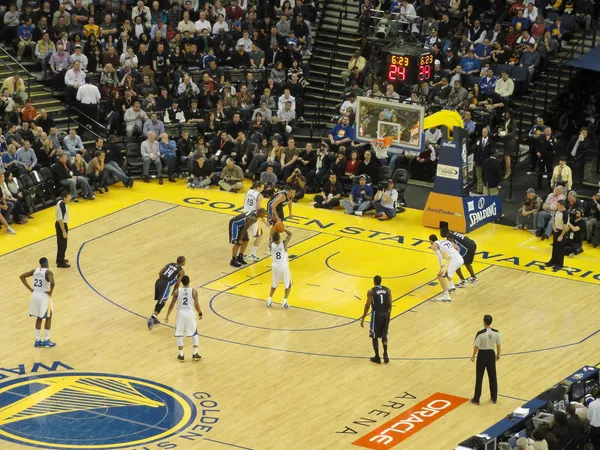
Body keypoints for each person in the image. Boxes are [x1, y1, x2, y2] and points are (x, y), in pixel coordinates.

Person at [164, 275, 202, 363]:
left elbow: (172, 305)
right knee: (195, 333)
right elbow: (196, 305)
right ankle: (195, 354)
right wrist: (200, 313)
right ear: (189, 281)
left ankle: (181, 355)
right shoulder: (194, 292)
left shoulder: (177, 291)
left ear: (181, 282)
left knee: (179, 334)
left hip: (180, 314)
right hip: (190, 313)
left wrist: (167, 315)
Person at [20, 257, 57, 348]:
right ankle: (46, 340)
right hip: (43, 296)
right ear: (47, 263)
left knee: (39, 318)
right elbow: (52, 282)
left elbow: (22, 276)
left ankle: (37, 340)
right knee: (48, 317)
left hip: (35, 295)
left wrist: (30, 288)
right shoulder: (48, 272)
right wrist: (51, 291)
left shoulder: (35, 270)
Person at [147, 256, 186, 330]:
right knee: (162, 302)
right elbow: (178, 283)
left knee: (160, 301)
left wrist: (162, 280)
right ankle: (152, 318)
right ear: (183, 262)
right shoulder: (181, 271)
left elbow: (160, 272)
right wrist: (174, 290)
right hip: (166, 284)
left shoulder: (170, 264)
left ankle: (154, 316)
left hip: (158, 281)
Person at [360, 275, 392, 364]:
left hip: (377, 314)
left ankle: (377, 356)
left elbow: (367, 305)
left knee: (374, 335)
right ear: (381, 281)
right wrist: (389, 316)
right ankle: (385, 353)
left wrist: (363, 317)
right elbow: (390, 304)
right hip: (386, 313)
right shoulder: (388, 290)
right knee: (384, 335)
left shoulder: (371, 291)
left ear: (374, 281)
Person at [471, 314, 501, 405]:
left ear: (484, 322)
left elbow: (476, 346)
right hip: (491, 354)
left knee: (479, 377)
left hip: (482, 355)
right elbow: (498, 344)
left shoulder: (480, 333)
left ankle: (476, 399)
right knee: (492, 376)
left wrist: (473, 355)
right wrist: (498, 354)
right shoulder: (496, 332)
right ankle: (494, 398)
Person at [430, 234, 463, 302]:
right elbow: (457, 247)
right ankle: (451, 285)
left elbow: (439, 256)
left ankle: (446, 296)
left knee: (440, 276)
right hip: (460, 259)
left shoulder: (434, 245)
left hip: (453, 261)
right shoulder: (445, 241)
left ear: (430, 241)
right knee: (447, 271)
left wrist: (441, 265)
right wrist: (456, 255)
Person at [267, 229, 293, 308]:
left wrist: (274, 231)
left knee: (274, 284)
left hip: (275, 267)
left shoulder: (270, 245)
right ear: (279, 237)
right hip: (283, 267)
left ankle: (269, 299)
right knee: (289, 284)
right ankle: (284, 301)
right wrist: (283, 229)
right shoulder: (284, 244)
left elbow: (271, 238)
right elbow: (290, 234)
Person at [243, 181, 268, 261]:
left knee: (244, 236)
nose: (263, 189)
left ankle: (241, 254)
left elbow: (244, 202)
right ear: (258, 187)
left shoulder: (248, 191)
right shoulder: (259, 196)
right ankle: (252, 254)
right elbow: (258, 210)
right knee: (259, 235)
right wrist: (264, 221)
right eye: (262, 187)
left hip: (245, 214)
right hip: (253, 217)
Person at [545, 200, 569, 269]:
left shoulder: (565, 213)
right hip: (556, 230)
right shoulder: (557, 211)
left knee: (560, 249)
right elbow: (553, 220)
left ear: (562, 206)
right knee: (555, 247)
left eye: (558, 205)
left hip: (562, 232)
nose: (557, 206)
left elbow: (565, 226)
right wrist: (553, 227)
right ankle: (553, 261)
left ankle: (559, 264)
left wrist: (561, 235)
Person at [55, 191, 71, 268]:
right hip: (61, 225)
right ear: (64, 198)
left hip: (60, 224)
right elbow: (61, 220)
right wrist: (64, 232)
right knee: (63, 244)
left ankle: (59, 259)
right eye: (68, 197)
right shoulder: (61, 207)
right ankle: (60, 263)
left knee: (60, 243)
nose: (70, 198)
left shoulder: (60, 202)